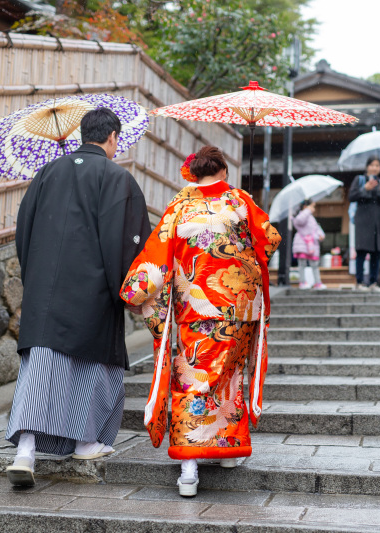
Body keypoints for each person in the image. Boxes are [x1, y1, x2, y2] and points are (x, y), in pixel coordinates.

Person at [120, 147, 281, 497]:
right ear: (223, 170)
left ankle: (189, 469)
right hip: (239, 307)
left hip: (195, 310)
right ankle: (224, 451)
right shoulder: (239, 200)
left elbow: (158, 252)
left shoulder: (180, 205)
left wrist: (137, 292)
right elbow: (269, 240)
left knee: (192, 374)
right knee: (229, 377)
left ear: (194, 173)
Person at [4, 108, 151, 487]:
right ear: (113, 137)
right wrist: (130, 292)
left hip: (46, 292)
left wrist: (35, 277)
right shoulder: (117, 178)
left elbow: (24, 230)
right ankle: (86, 443)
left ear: (83, 134)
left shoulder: (47, 173)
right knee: (90, 367)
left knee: (42, 367)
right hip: (93, 290)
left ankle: (25, 451)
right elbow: (128, 241)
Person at [349, 155, 380, 292]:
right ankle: (359, 282)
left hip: (378, 222)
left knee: (376, 253)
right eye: (372, 165)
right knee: (361, 251)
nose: (374, 168)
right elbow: (351, 196)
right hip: (363, 221)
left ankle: (373, 282)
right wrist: (365, 188)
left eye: (377, 165)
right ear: (367, 167)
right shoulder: (359, 180)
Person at [292, 200, 326, 289]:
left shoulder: (310, 217)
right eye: (312, 206)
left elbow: (316, 229)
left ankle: (317, 283)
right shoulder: (302, 215)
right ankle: (302, 282)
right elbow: (299, 221)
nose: (314, 209)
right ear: (305, 206)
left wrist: (320, 235)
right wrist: (307, 210)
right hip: (302, 243)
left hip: (311, 244)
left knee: (314, 264)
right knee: (302, 264)